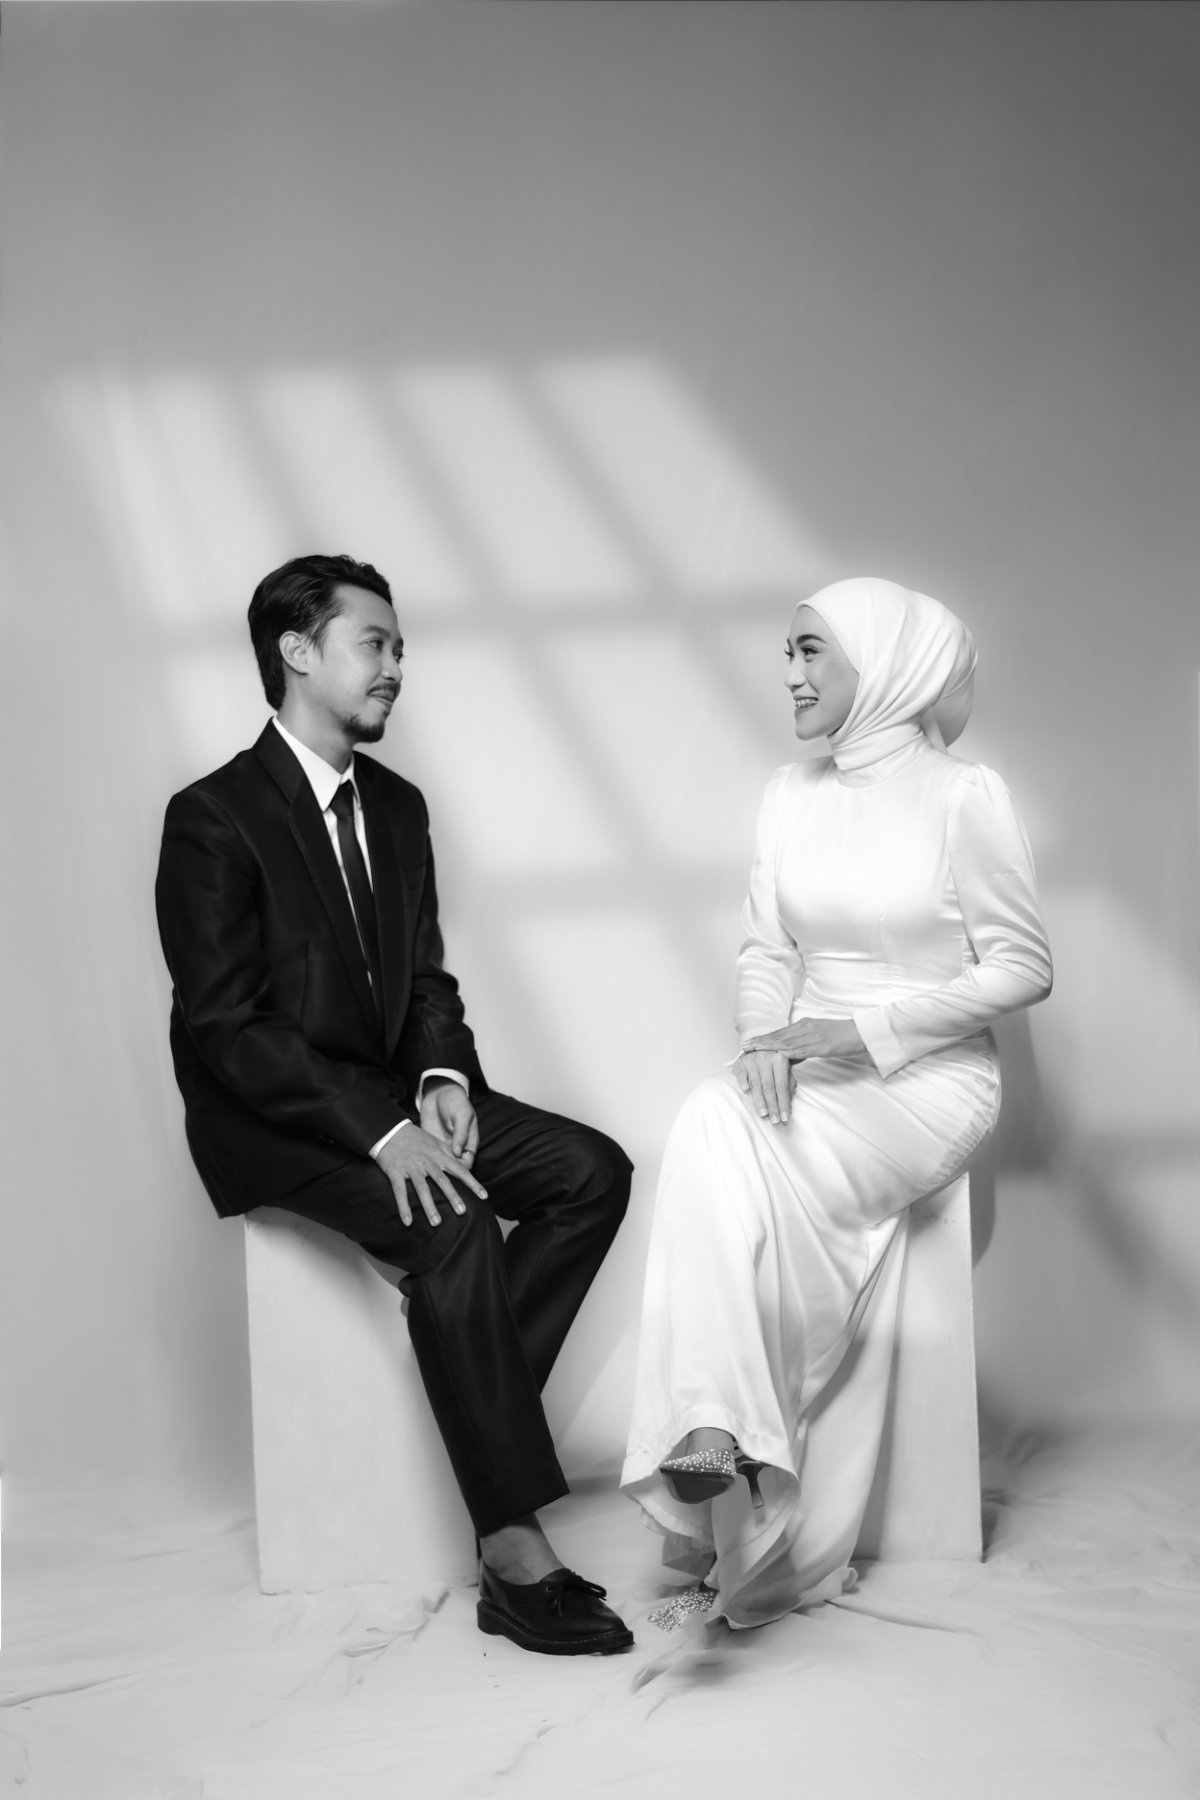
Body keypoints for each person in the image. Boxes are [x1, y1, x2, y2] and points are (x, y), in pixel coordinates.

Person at [156, 553, 634, 1657]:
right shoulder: (211, 817)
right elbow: (228, 1027)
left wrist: (441, 1081)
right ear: (297, 650)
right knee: (454, 1224)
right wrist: (382, 1131)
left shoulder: (399, 806)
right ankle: (512, 1554)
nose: (395, 667)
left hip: (390, 1095)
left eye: (400, 647)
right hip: (272, 1119)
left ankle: (471, 1379)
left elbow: (425, 980)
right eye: (373, 643)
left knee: (590, 1172)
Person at [621, 576, 1052, 1631]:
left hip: (926, 1083)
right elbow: (766, 951)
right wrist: (763, 1043)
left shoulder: (964, 795)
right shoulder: (789, 794)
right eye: (789, 652)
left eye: (812, 651)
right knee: (710, 1116)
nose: (790, 674)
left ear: (884, 663)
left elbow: (1024, 967)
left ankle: (730, 1476)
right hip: (807, 1065)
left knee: (732, 1162)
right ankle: (720, 1439)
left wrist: (858, 1034)